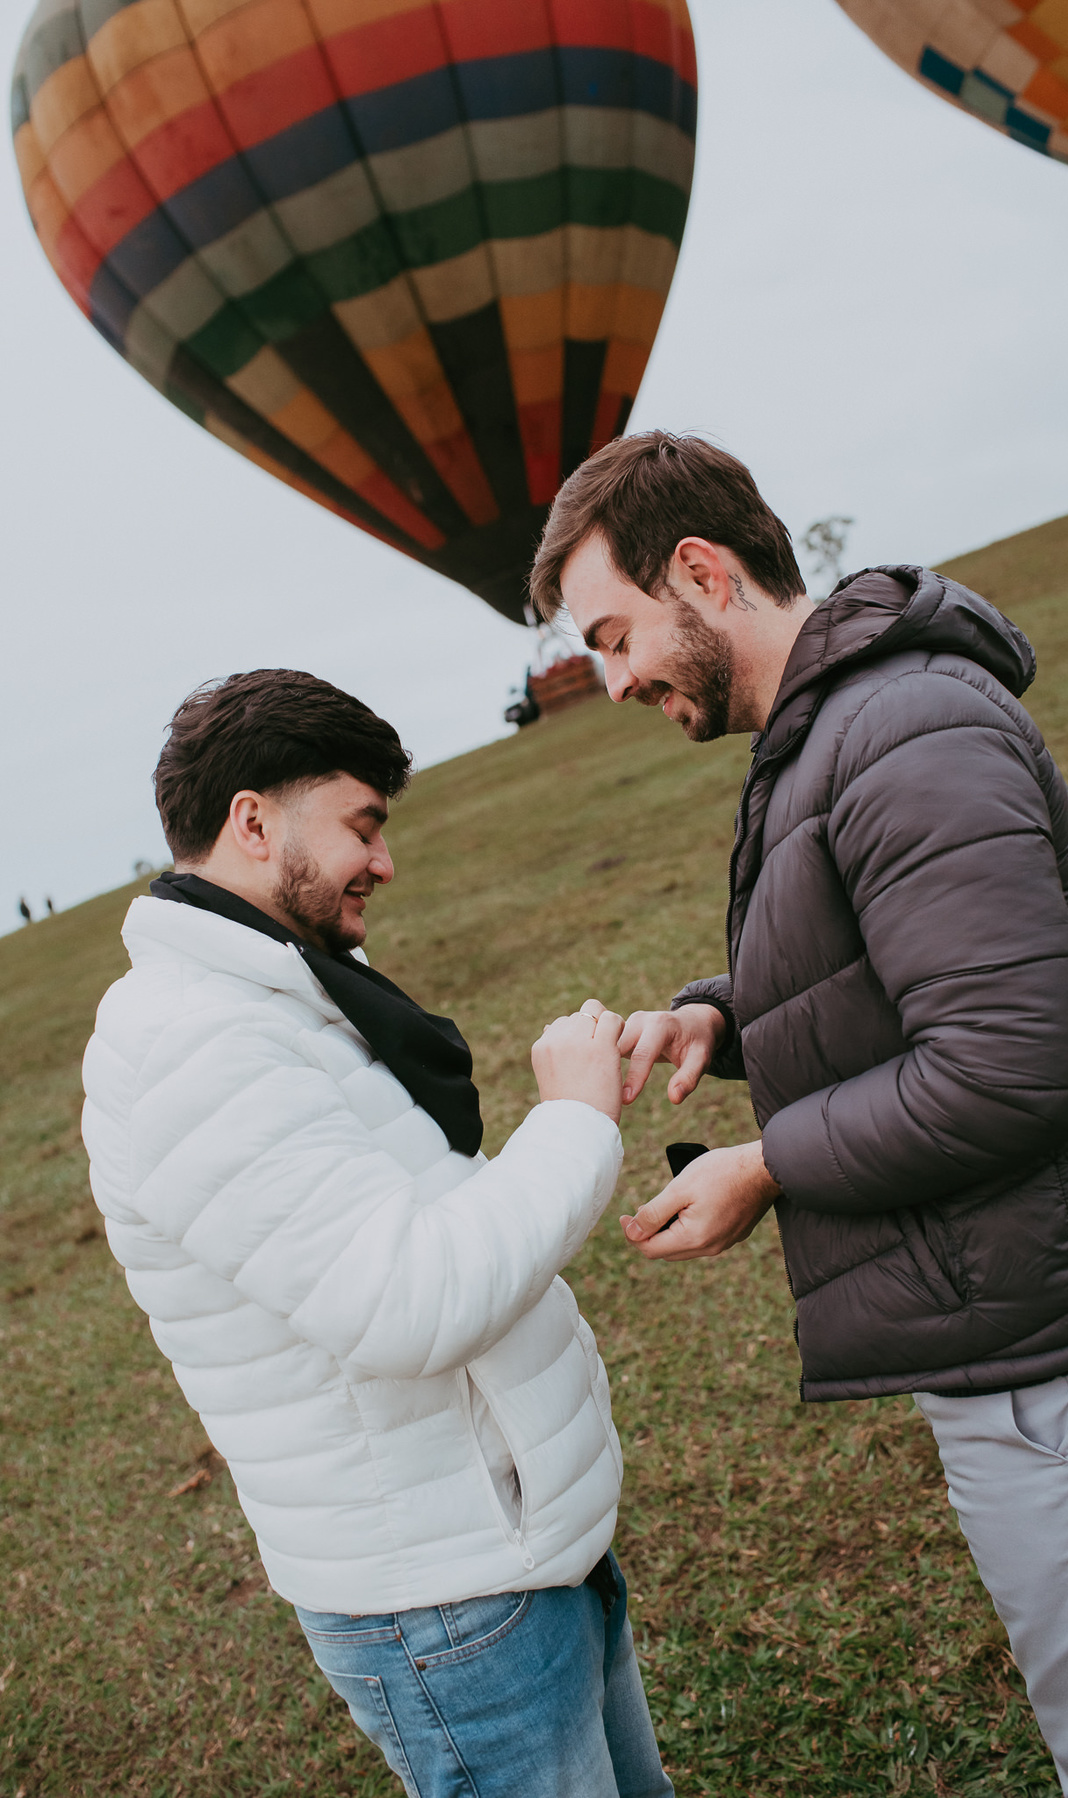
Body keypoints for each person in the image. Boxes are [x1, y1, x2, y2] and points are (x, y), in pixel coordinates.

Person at [532, 431, 1068, 1798]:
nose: (606, 682)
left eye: (613, 632)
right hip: (1034, 1311)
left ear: (703, 573)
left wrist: (767, 1164)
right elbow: (894, 945)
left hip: (1063, 1353)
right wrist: (721, 1014)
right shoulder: (836, 726)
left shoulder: (895, 728)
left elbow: (1007, 1063)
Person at [81, 668, 672, 1798]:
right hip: (450, 1603)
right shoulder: (193, 1044)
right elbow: (409, 1299)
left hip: (518, 1553)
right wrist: (577, 1119)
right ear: (253, 821)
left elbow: (411, 1219)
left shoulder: (285, 995)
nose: (385, 862)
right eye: (363, 825)